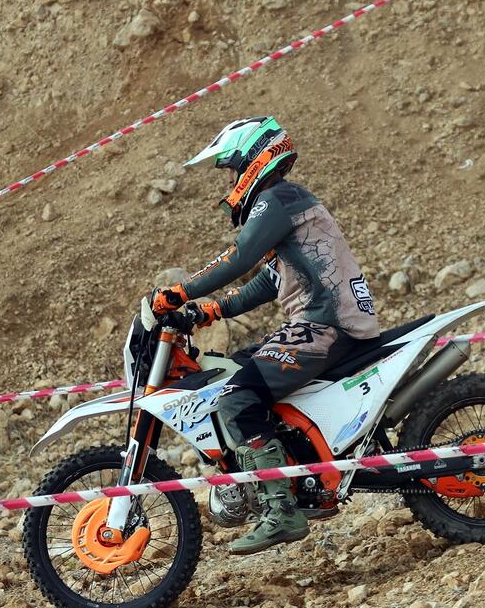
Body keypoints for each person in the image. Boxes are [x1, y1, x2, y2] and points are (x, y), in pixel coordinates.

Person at [149, 116, 379, 555]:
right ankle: (298, 475)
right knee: (234, 369)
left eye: (232, 169)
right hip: (322, 324)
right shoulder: (288, 204)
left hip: (325, 326)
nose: (230, 182)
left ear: (252, 158)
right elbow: (269, 280)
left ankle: (281, 510)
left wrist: (180, 292)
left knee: (236, 398)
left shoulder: (278, 199)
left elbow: (239, 258)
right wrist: (214, 309)